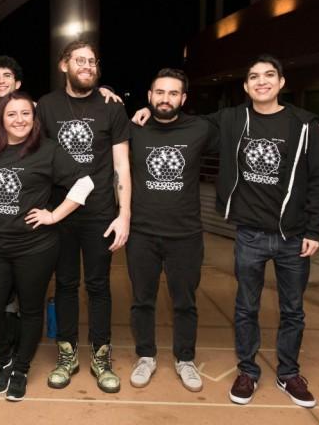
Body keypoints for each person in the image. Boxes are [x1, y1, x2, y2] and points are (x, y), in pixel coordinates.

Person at [133, 55, 319, 408]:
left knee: (292, 310)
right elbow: (161, 119)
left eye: (269, 76)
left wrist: (314, 228)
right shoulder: (232, 118)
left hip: (291, 233)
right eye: (253, 76)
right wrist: (133, 105)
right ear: (245, 86)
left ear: (281, 83)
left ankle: (288, 373)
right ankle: (247, 371)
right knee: (245, 307)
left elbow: (318, 181)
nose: (261, 82)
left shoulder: (303, 124)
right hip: (248, 233)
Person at [0, 91, 94, 401]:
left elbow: (85, 183)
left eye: (26, 114)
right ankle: (4, 359)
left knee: (31, 310)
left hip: (36, 247)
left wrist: (54, 215)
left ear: (34, 118)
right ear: (0, 118)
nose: (20, 120)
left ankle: (21, 369)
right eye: (12, 114)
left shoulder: (48, 150)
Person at [36, 39, 131, 393]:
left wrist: (125, 216)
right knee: (64, 285)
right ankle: (67, 354)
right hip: (58, 213)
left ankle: (101, 357)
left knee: (99, 286)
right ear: (65, 65)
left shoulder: (112, 108)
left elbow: (122, 165)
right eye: (80, 60)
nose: (87, 66)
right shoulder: (45, 106)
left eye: (92, 61)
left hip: (100, 214)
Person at [126, 68, 218, 393]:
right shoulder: (132, 129)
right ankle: (146, 356)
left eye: (173, 93)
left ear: (183, 98)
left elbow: (243, 119)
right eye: (160, 93)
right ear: (149, 96)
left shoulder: (201, 128)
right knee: (142, 300)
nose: (166, 99)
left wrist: (303, 120)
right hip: (141, 232)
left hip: (186, 235)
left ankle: (185, 359)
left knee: (185, 302)